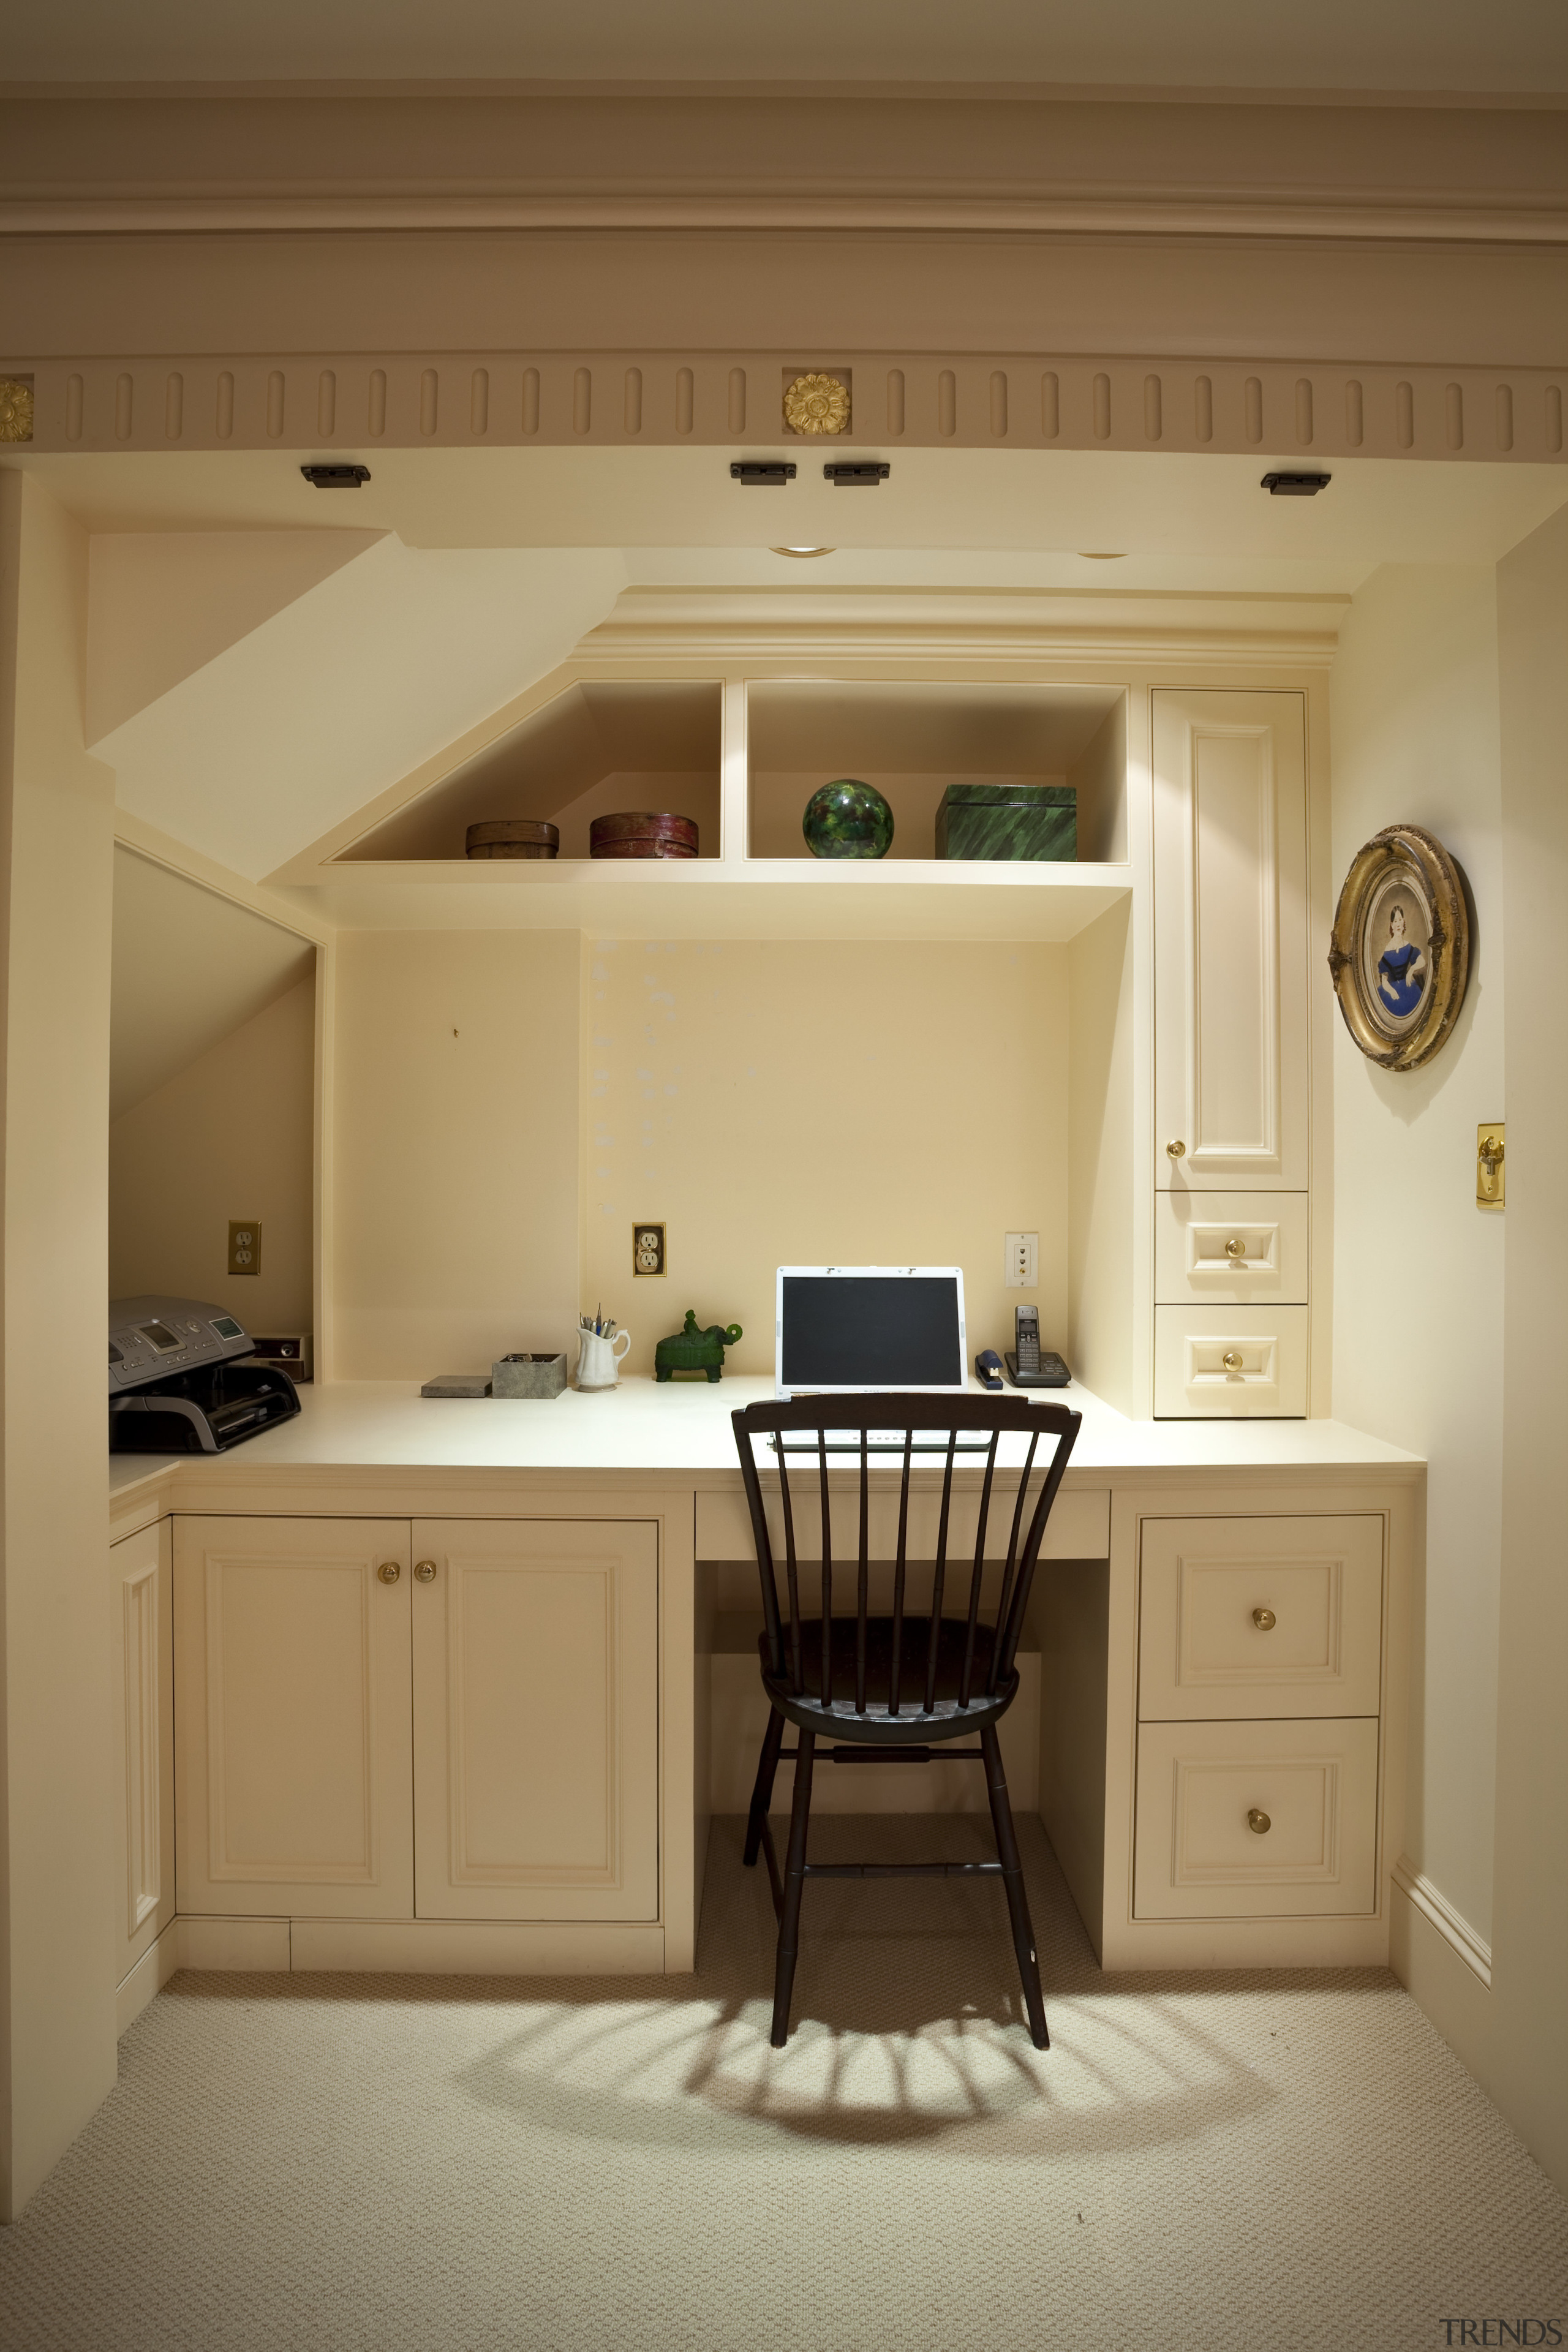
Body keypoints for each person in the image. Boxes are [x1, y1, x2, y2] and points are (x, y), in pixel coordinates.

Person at [1376, 900, 1426, 1017]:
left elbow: (1422, 961)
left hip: (1409, 988)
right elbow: (1384, 981)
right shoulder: (1387, 950)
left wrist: (1412, 970)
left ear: (1404, 921)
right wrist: (1391, 991)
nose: (1398, 924)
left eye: (1400, 920)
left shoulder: (1408, 946)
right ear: (1392, 925)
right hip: (1392, 991)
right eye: (1395, 921)